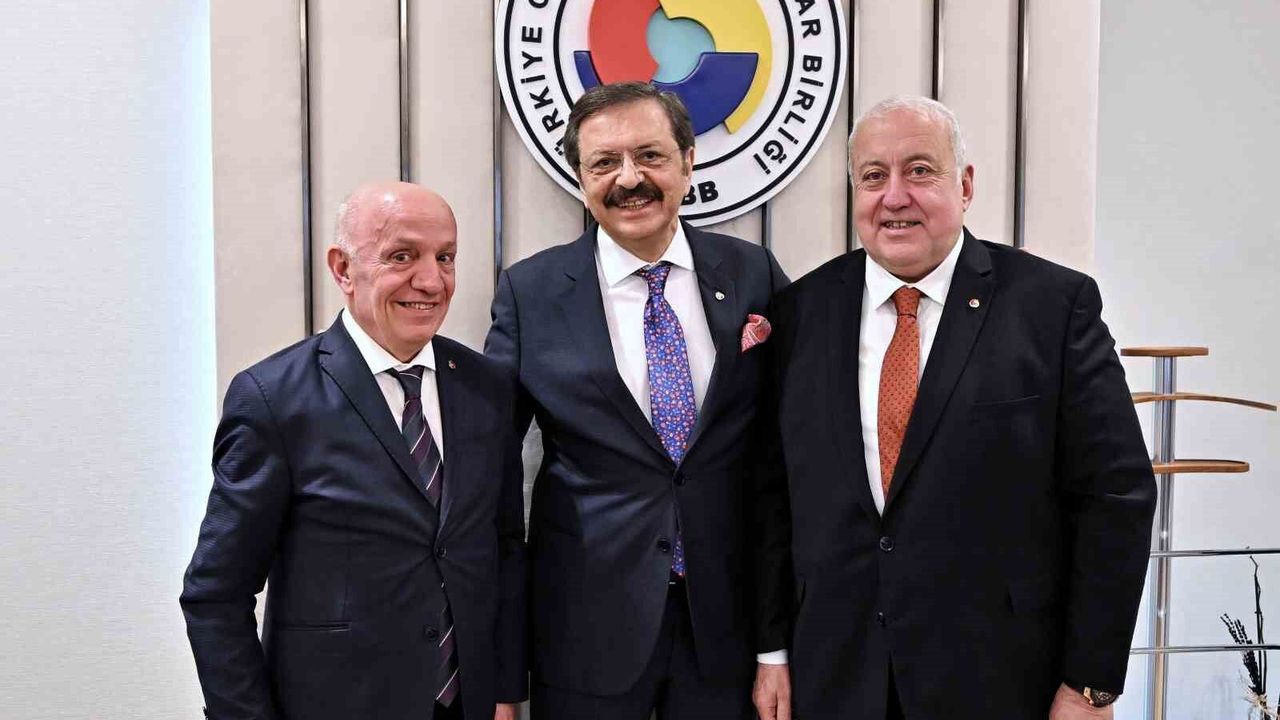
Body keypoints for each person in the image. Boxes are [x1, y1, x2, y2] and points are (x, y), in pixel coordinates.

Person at [769, 96, 1156, 719]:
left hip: (1001, 678)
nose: (895, 196)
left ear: (966, 185)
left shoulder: (1052, 307)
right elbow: (772, 498)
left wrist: (1091, 683)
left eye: (920, 171)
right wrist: (771, 652)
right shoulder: (800, 313)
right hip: (836, 677)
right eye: (873, 176)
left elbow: (1115, 496)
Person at [485, 82, 793, 720]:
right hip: (584, 634)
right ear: (580, 178)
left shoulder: (753, 275)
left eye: (650, 155)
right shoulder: (531, 293)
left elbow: (787, 459)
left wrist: (776, 646)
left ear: (688, 161)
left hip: (728, 635)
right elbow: (487, 480)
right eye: (604, 162)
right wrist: (503, 675)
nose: (629, 179)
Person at [181, 182, 526, 720]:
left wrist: (503, 691)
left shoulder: (486, 387)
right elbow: (215, 594)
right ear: (343, 269)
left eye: (445, 257)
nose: (431, 280)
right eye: (402, 256)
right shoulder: (274, 399)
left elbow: (502, 547)